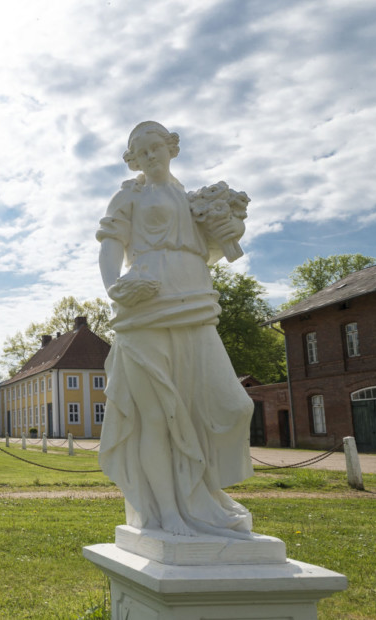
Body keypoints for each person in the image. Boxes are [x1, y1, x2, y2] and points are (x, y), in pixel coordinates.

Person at [95, 121, 255, 539]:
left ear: (171, 148)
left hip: (195, 302)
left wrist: (229, 231)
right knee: (156, 419)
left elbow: (216, 249)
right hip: (145, 304)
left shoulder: (193, 200)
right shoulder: (129, 195)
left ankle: (202, 498)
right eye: (140, 151)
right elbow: (111, 243)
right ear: (133, 159)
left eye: (156, 147)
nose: (150, 156)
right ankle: (167, 513)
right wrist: (115, 287)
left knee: (232, 405)